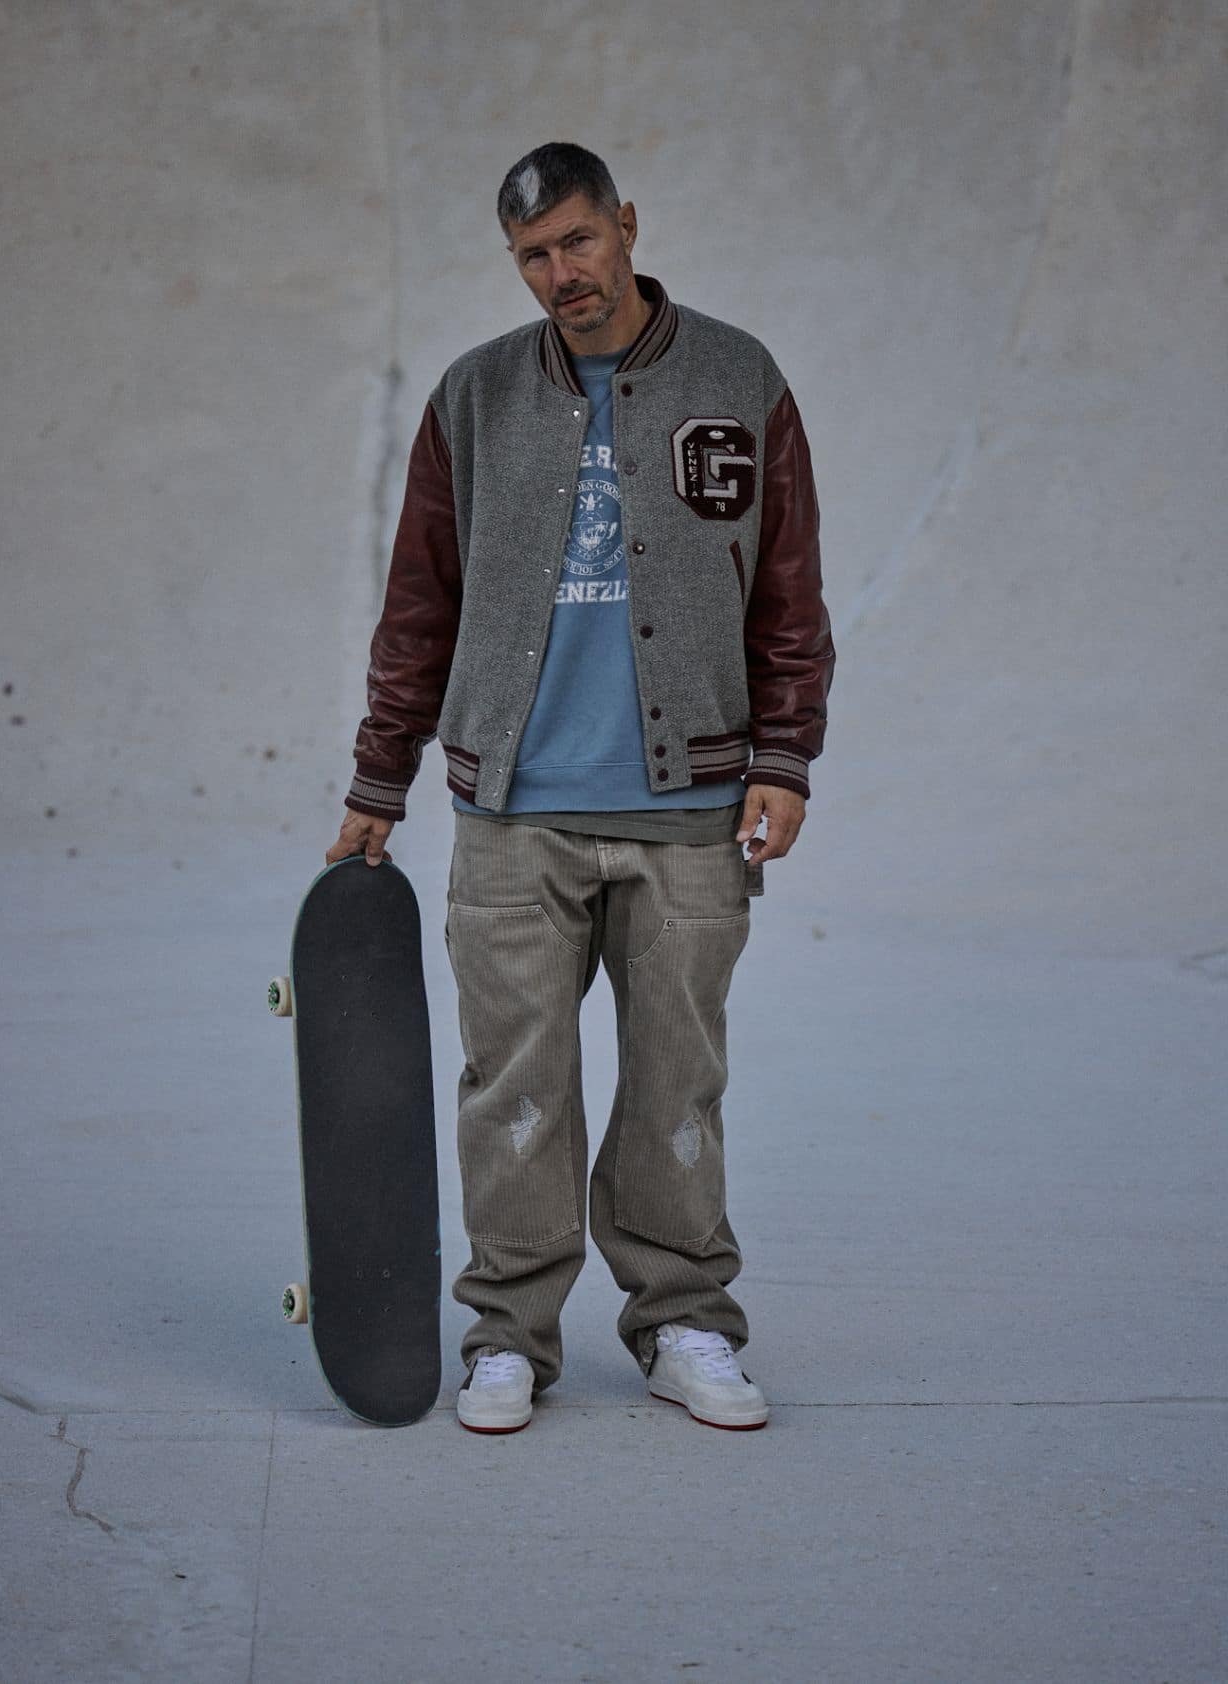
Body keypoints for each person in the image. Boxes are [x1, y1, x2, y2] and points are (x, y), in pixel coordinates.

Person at [326, 141, 834, 1434]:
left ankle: (682, 1328)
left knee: (678, 1090)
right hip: (516, 813)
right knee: (514, 1089)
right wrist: (379, 779)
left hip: (691, 816)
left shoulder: (740, 378)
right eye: (534, 256)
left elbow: (788, 596)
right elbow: (417, 609)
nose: (562, 272)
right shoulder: (474, 399)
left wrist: (786, 760)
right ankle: (507, 1336)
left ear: (626, 227)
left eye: (579, 241)